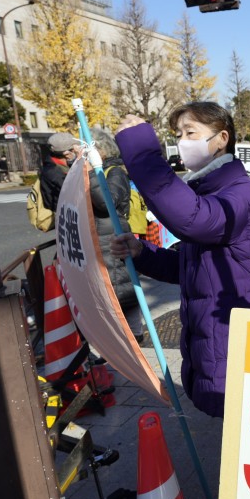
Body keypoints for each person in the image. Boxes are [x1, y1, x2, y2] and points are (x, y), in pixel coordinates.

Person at [109, 103, 250, 418]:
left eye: (191, 132)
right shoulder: (205, 191)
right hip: (210, 340)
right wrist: (144, 253)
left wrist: (142, 153)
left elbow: (195, 220)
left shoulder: (242, 192)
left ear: (222, 138)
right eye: (179, 134)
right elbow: (190, 268)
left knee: (240, 439)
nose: (183, 141)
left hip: (233, 336)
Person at [86, 129, 143, 343]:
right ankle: (125, 337)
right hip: (101, 237)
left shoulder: (113, 172)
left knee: (120, 288)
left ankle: (131, 337)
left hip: (112, 236)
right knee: (113, 288)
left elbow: (104, 201)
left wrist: (91, 173)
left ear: (99, 150)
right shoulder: (103, 172)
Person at [40, 132, 81, 211]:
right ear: (67, 154)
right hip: (63, 214)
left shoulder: (54, 165)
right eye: (74, 150)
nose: (77, 151)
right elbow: (75, 191)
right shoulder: (54, 172)